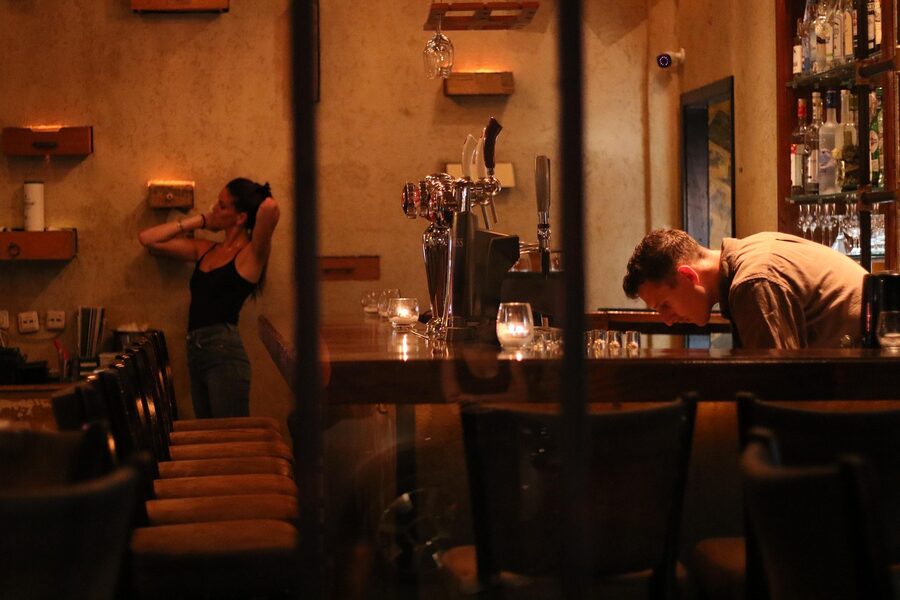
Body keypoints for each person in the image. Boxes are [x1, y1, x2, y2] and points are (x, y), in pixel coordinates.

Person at [138, 178, 280, 417]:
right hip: (196, 350)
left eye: (222, 206)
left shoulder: (251, 255)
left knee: (228, 438)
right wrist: (203, 220)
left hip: (224, 352)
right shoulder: (206, 249)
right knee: (207, 432)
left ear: (241, 217)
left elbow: (270, 208)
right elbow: (148, 239)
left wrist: (256, 195)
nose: (215, 208)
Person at [622, 229, 867, 349]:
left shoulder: (751, 283)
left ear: (688, 276)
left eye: (664, 305)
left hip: (874, 392)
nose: (666, 320)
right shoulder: (750, 253)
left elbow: (778, 390)